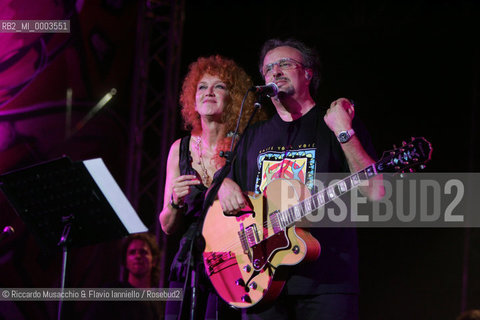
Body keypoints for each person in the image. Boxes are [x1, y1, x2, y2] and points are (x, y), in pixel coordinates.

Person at [217, 38, 385, 319]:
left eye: (285, 64)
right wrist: (223, 184)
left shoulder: (335, 123)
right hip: (261, 282)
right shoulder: (253, 135)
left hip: (327, 284)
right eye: (268, 68)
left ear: (308, 73)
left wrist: (344, 132)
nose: (275, 71)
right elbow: (226, 194)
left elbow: (375, 192)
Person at [159, 55, 266, 319]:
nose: (209, 92)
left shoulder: (246, 145)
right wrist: (174, 201)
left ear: (233, 97)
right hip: (190, 264)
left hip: (234, 261)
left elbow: (263, 207)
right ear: (192, 99)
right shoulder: (179, 148)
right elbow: (167, 225)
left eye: (219, 86)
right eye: (202, 86)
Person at [84, 232, 163, 320]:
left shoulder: (160, 303)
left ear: (154, 261)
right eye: (132, 252)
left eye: (143, 252)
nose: (138, 256)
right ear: (125, 261)